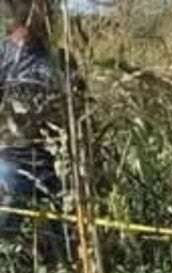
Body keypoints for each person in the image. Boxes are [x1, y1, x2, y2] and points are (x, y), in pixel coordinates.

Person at [0, 0, 83, 259]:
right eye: (45, 8)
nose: (51, 14)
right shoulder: (3, 55)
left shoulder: (61, 61)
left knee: (64, 246)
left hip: (56, 165)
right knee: (6, 232)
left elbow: (80, 112)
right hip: (10, 162)